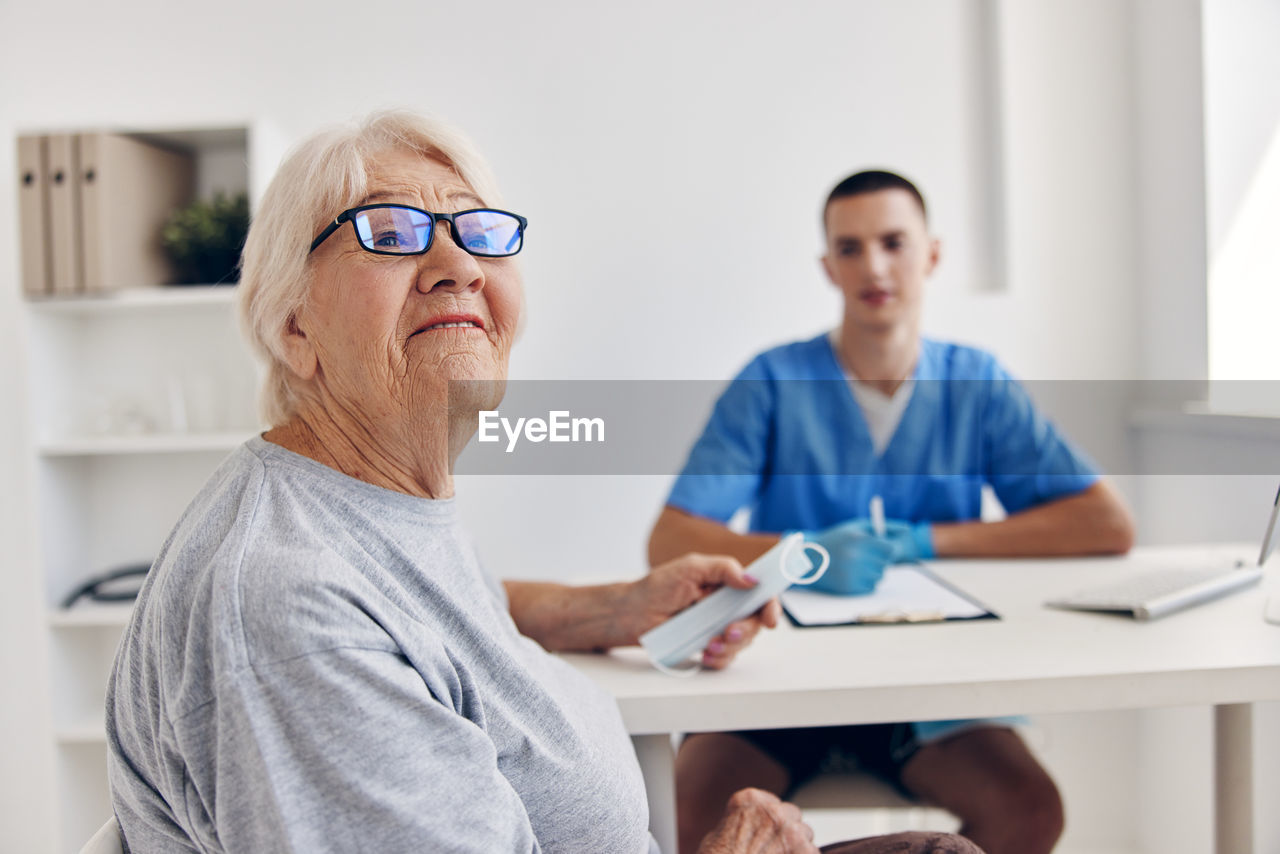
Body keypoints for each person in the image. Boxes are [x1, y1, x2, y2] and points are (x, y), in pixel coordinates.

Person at [103, 114, 982, 854]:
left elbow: (429, 617)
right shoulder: (289, 606)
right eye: (392, 232)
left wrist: (611, 609)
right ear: (295, 326)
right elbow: (348, 630)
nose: (459, 265)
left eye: (478, 230)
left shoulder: (371, 506)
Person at [649, 169, 1136, 854]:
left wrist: (926, 540)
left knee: (1029, 810)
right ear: (828, 267)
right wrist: (804, 551)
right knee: (682, 812)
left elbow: (1105, 523)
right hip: (777, 689)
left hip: (930, 695)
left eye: (893, 242)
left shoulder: (977, 384)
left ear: (931, 254)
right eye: (849, 249)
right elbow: (670, 536)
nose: (873, 266)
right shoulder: (773, 382)